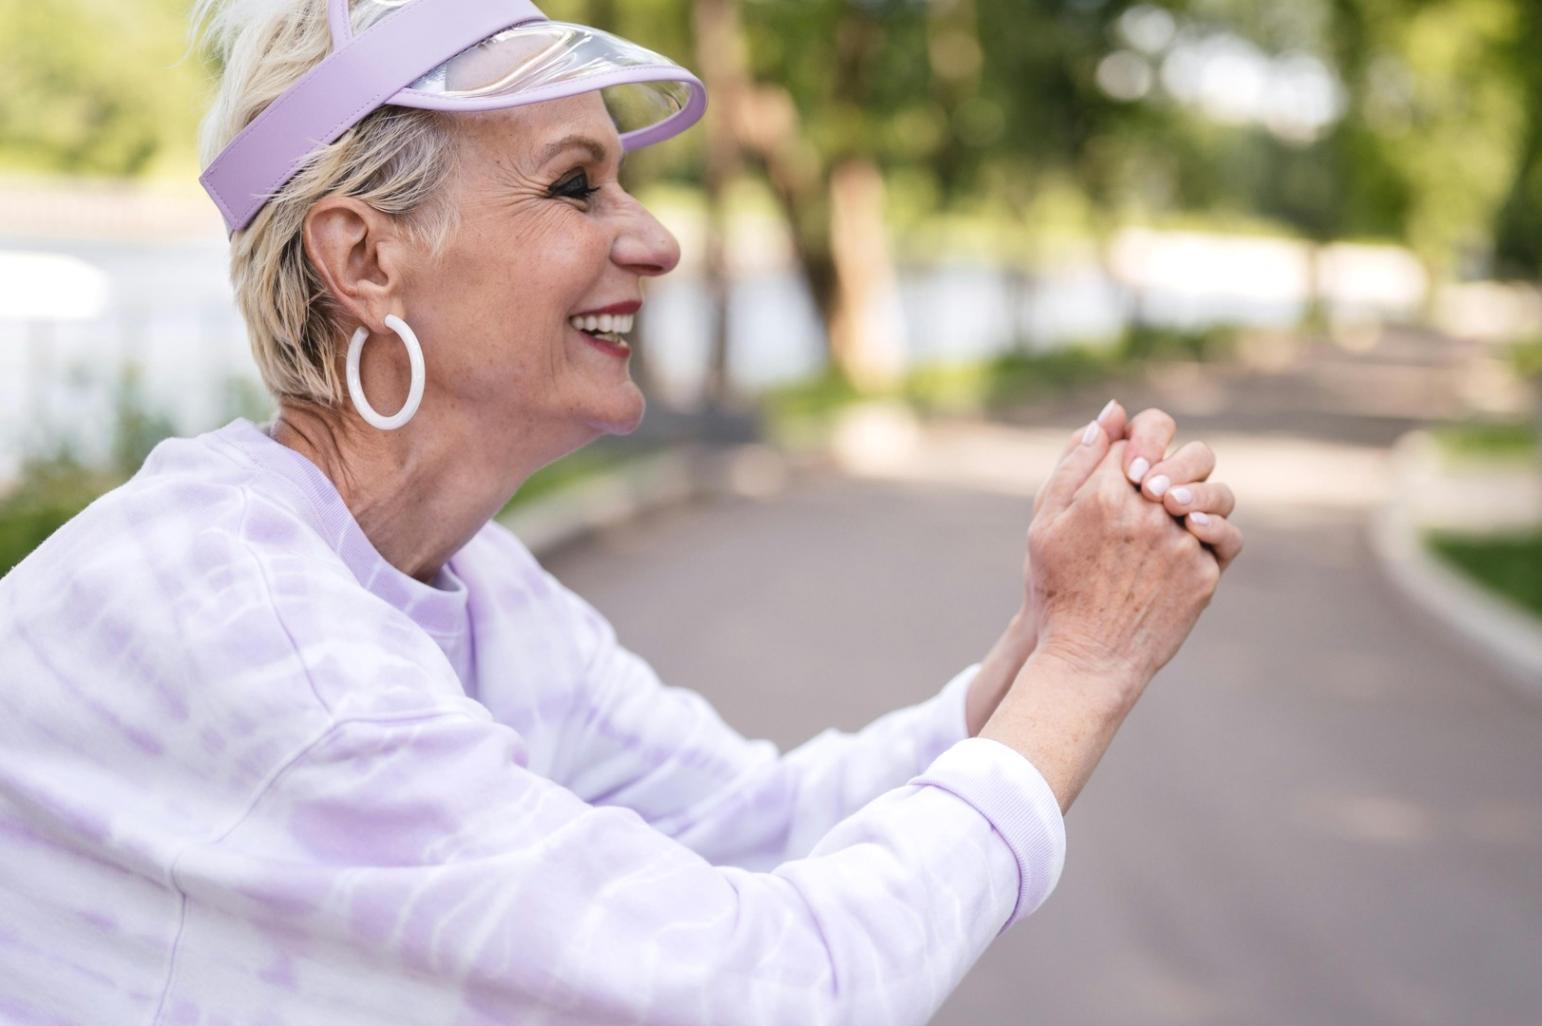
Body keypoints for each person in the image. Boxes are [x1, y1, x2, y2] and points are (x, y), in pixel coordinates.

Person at [0, 0, 1244, 1022]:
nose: (653, 241)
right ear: (365, 259)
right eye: (574, 187)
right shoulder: (248, 625)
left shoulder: (473, 588)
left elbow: (762, 826)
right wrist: (1090, 665)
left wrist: (1040, 634)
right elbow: (768, 991)